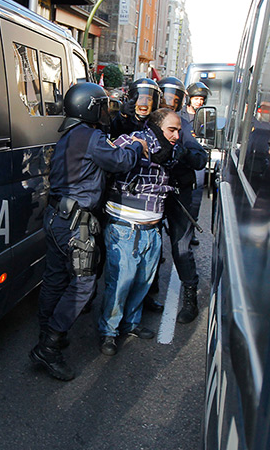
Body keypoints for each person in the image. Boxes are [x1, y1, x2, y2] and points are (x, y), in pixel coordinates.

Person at [31, 82, 147, 381]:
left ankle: (48, 333)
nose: (107, 111)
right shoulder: (90, 135)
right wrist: (137, 145)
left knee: (56, 279)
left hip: (58, 216)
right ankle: (49, 346)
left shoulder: (71, 133)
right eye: (103, 105)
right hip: (75, 223)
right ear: (91, 107)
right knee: (83, 285)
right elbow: (120, 161)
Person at [98, 108, 183, 356]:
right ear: (157, 126)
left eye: (179, 130)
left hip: (152, 230)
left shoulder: (171, 151)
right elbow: (110, 159)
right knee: (120, 282)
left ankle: (131, 324)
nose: (177, 135)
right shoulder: (129, 140)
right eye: (172, 129)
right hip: (124, 229)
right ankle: (109, 332)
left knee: (142, 282)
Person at [158, 78, 208, 324]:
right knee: (149, 247)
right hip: (151, 195)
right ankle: (146, 293)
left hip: (178, 193)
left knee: (181, 246)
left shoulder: (182, 126)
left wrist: (184, 153)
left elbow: (201, 159)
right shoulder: (147, 125)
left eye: (173, 98)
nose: (169, 102)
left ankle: (190, 298)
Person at [182, 81, 212, 246]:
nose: (199, 102)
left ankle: (191, 229)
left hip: (196, 158)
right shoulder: (180, 115)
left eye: (201, 99)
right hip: (181, 157)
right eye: (196, 98)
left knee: (197, 193)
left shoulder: (207, 116)